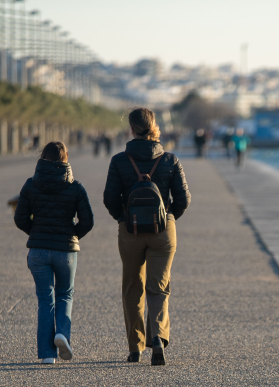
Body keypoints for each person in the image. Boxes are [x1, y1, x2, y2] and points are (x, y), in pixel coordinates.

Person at [103, 108, 191, 366]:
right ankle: (158, 340)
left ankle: (134, 347)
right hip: (163, 231)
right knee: (159, 287)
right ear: (154, 127)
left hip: (130, 231)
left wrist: (123, 218)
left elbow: (109, 198)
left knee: (132, 286)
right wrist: (169, 217)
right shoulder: (170, 160)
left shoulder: (119, 160)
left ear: (131, 129)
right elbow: (184, 199)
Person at [14, 141, 94, 365]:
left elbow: (20, 218)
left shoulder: (30, 185)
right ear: (66, 159)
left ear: (42, 158)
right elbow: (88, 221)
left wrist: (37, 234)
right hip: (65, 251)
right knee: (65, 294)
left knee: (45, 300)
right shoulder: (76, 187)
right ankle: (62, 334)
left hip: (38, 252)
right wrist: (72, 235)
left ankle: (48, 355)